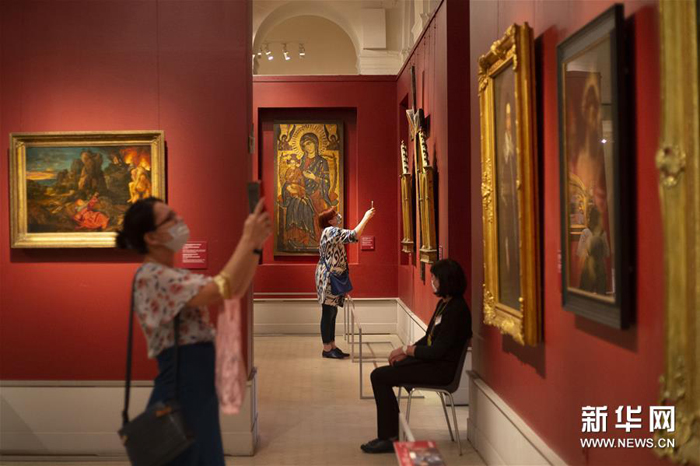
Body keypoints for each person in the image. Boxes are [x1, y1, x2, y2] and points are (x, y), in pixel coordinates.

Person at [116, 197, 271, 465]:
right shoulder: (151, 276)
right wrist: (247, 239)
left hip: (197, 389)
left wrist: (255, 245)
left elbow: (234, 289)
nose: (179, 220)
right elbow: (220, 289)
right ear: (151, 237)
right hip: (181, 390)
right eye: (170, 218)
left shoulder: (170, 273)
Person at [361, 259, 472, 453]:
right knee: (385, 372)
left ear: (446, 280)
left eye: (435, 278)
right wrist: (406, 351)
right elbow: (428, 338)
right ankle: (390, 434)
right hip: (432, 363)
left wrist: (406, 351)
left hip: (441, 370)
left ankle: (389, 437)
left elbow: (437, 350)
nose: (432, 282)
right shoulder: (445, 304)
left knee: (379, 376)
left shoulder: (457, 310)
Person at [315, 206, 375, 359]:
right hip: (328, 278)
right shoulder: (330, 231)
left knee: (332, 312)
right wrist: (366, 217)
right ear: (330, 221)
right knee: (328, 312)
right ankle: (327, 348)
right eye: (335, 215)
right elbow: (354, 235)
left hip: (333, 276)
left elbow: (350, 234)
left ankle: (332, 345)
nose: (338, 216)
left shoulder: (331, 230)